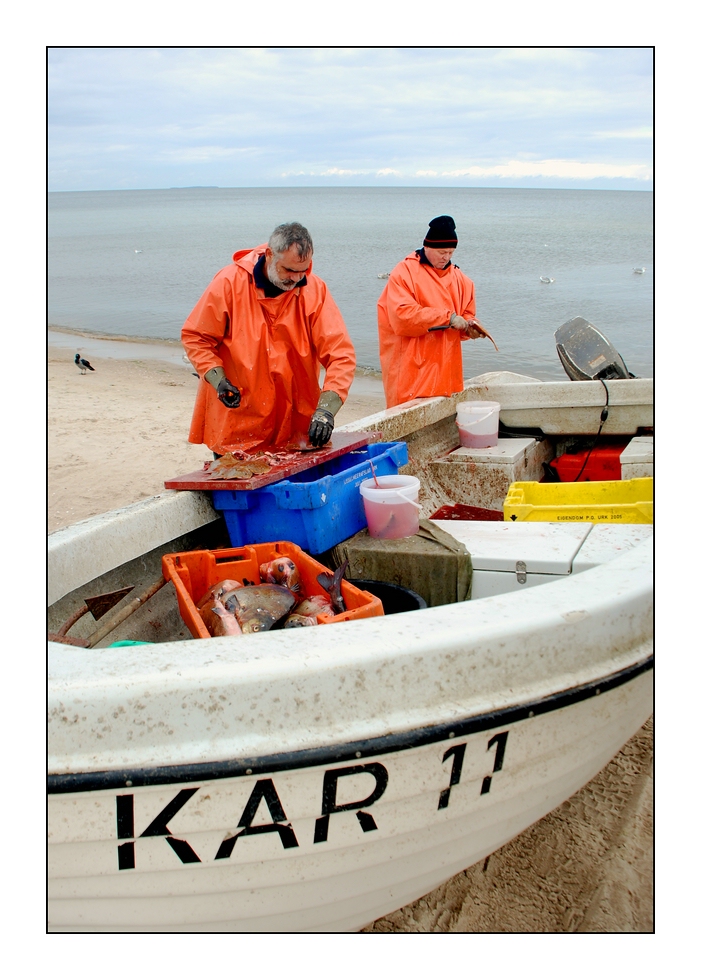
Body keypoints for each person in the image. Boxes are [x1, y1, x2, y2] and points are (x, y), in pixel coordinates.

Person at [182, 222, 356, 455]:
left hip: (296, 426)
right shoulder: (229, 283)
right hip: (238, 422)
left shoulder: (315, 290)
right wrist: (217, 378)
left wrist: (326, 410)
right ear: (269, 255)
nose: (296, 279)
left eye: (303, 270)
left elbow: (341, 355)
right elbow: (196, 336)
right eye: (289, 270)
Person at [377, 214, 490, 408]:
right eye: (442, 252)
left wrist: (470, 327)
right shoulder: (404, 273)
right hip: (410, 373)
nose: (446, 257)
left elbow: (467, 313)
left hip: (446, 374)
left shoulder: (462, 280)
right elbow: (401, 316)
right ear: (427, 247)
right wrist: (448, 317)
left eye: (451, 252)